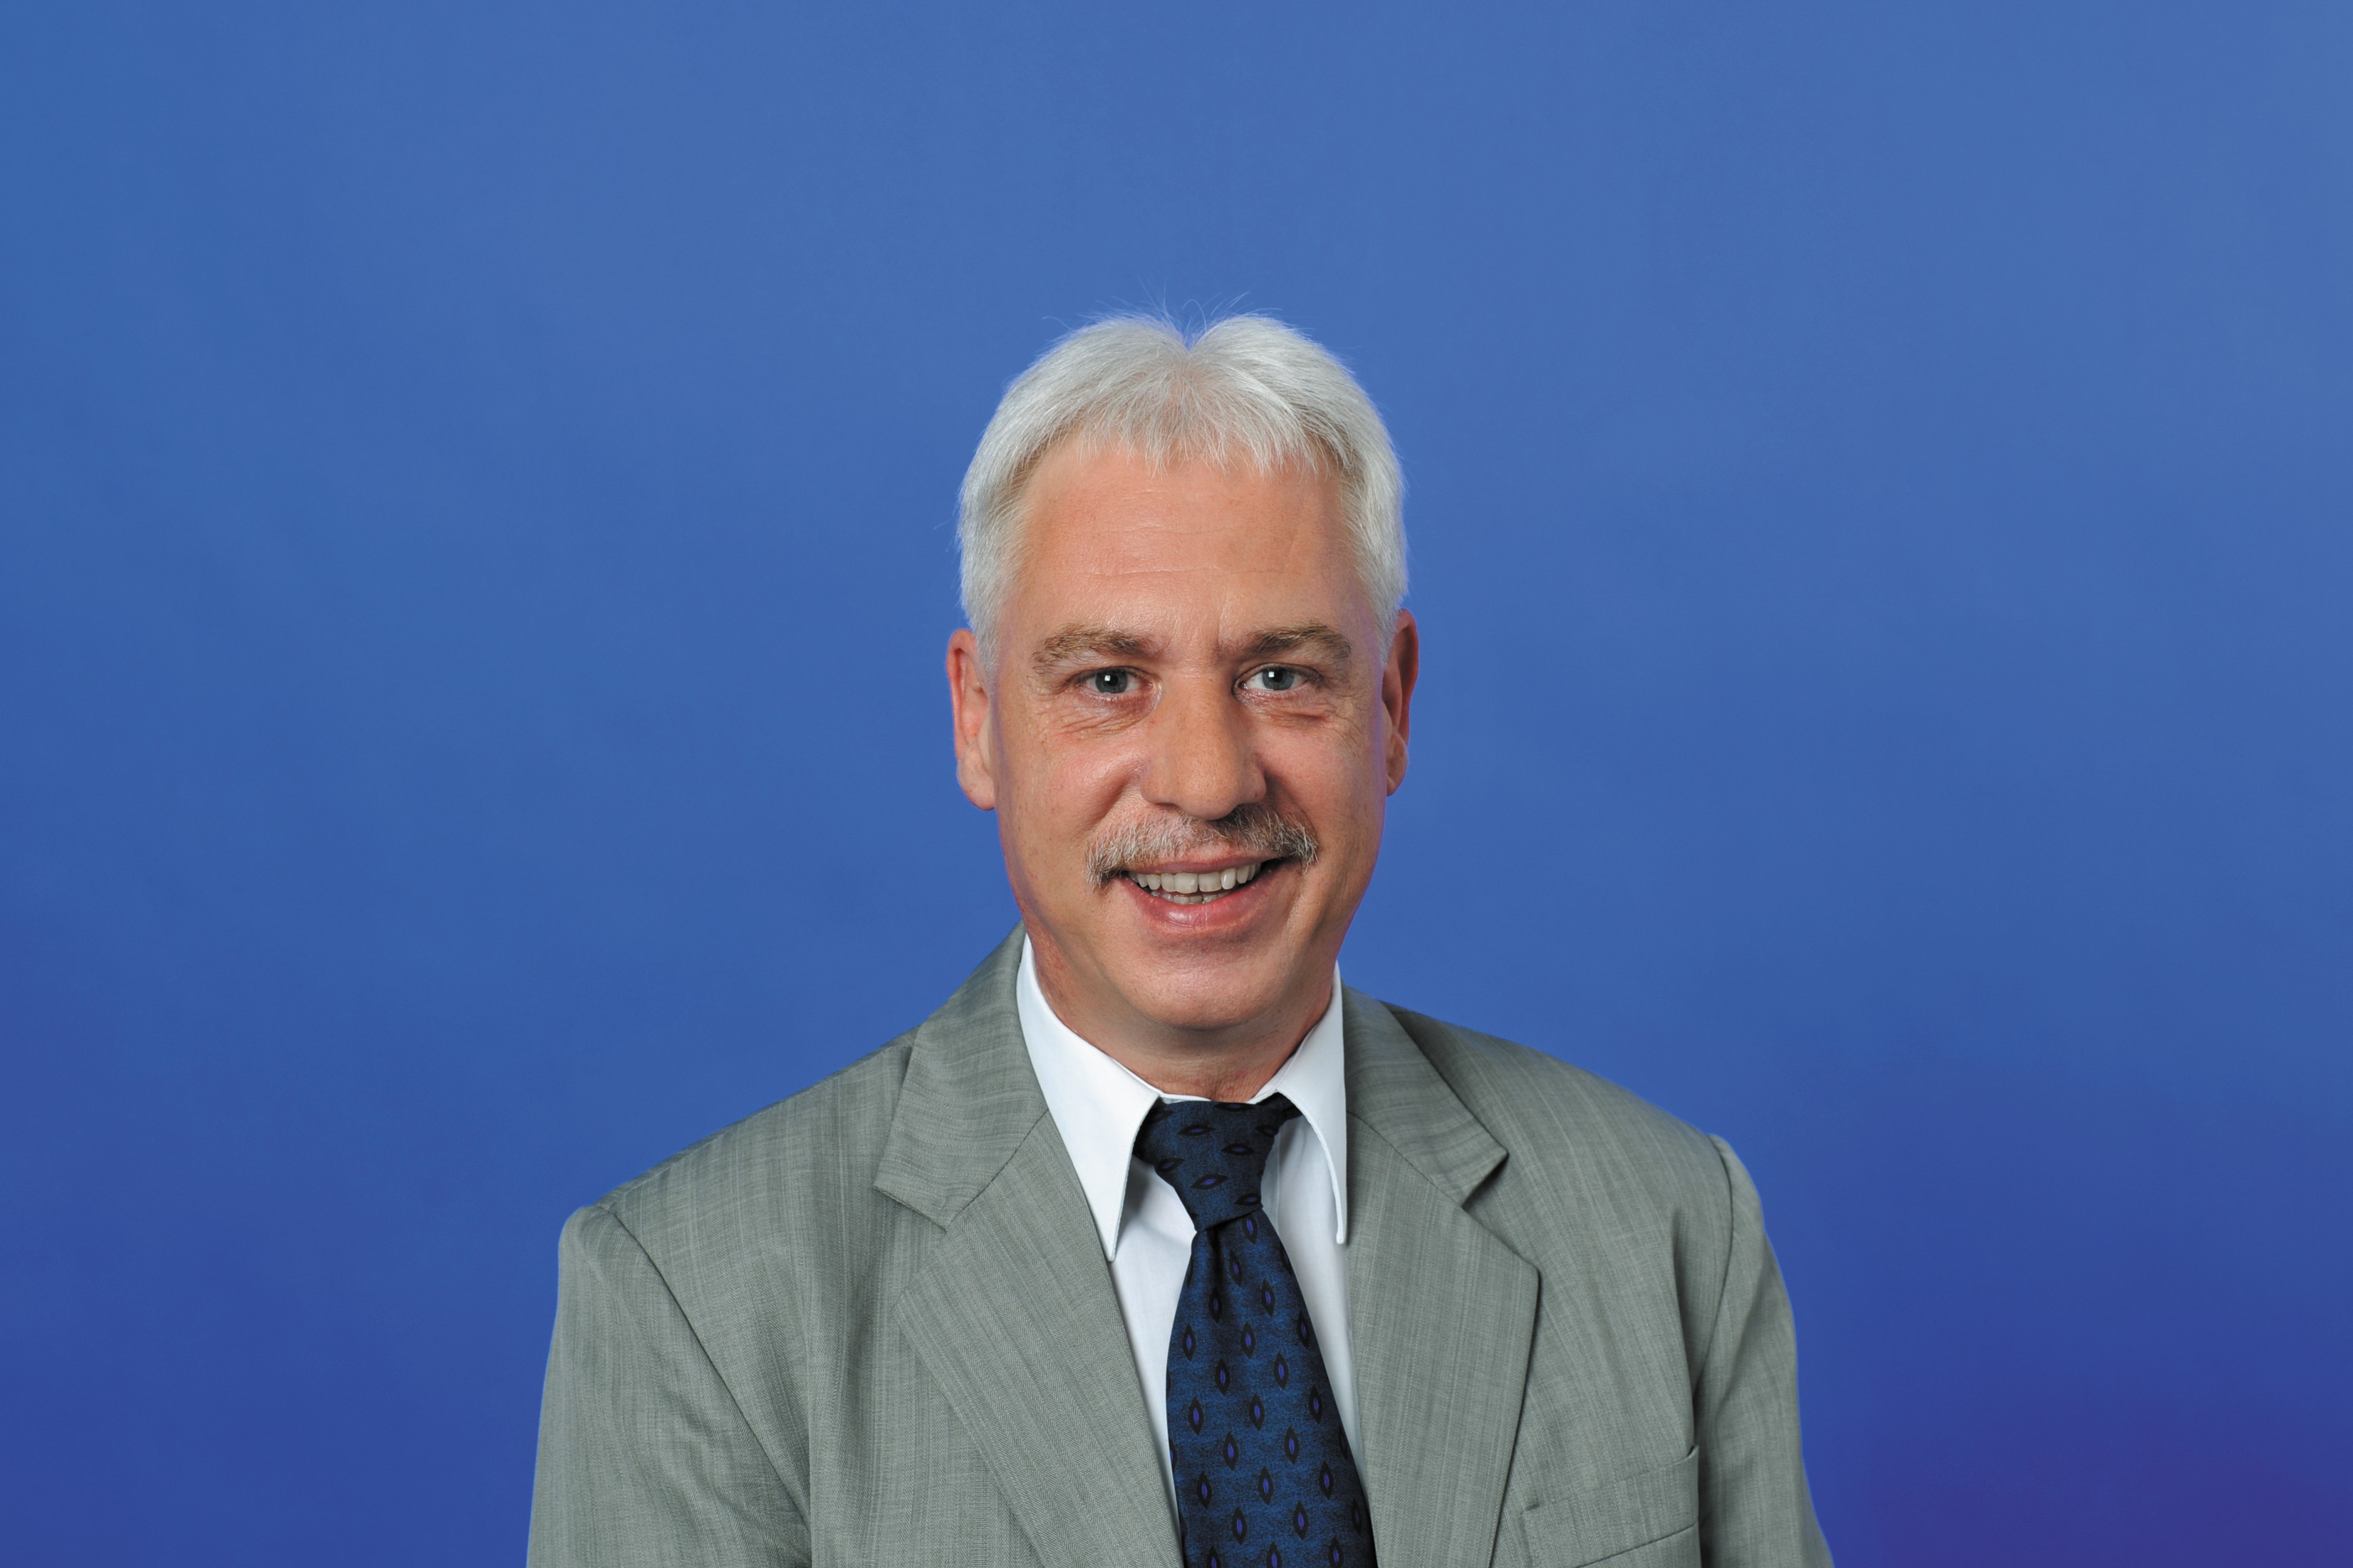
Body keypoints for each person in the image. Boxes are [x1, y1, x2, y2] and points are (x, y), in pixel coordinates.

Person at [527, 315, 1832, 1568]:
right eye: (1110, 682)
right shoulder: (691, 1304)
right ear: (978, 721)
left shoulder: (1668, 1224)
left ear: (1391, 705)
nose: (1206, 782)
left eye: (1281, 675)